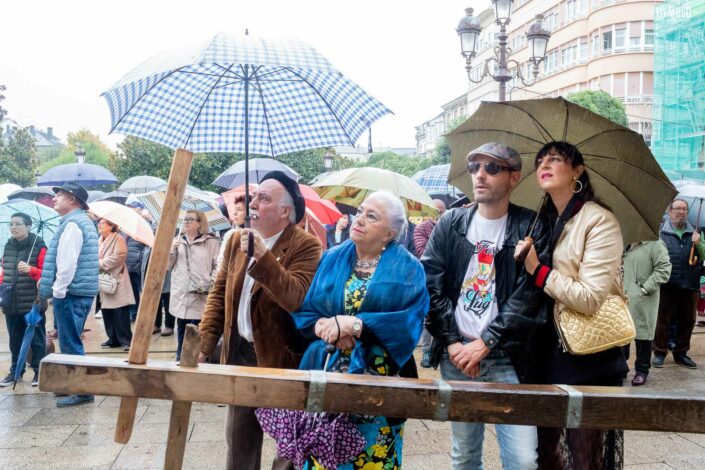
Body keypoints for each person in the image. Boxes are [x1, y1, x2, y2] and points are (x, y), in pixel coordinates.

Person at [423, 142, 551, 470]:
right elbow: (431, 284)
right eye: (474, 167)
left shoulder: (532, 227)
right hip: (457, 357)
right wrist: (452, 342)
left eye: (492, 168)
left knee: (523, 460)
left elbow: (529, 297)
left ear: (514, 177)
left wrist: (487, 342)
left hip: (508, 357)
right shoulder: (451, 222)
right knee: (464, 455)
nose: (480, 175)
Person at [291, 191, 428, 469]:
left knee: (372, 460)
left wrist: (355, 325)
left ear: (389, 233)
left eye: (372, 216)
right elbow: (307, 310)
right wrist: (326, 327)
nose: (360, 219)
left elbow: (409, 323)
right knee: (324, 458)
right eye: (361, 211)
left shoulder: (409, 268)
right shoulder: (331, 257)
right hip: (329, 375)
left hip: (379, 384)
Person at [198, 171, 322, 470]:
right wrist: (204, 344)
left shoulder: (306, 245)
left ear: (285, 211)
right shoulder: (236, 241)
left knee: (289, 448)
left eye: (263, 198)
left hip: (282, 359)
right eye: (254, 197)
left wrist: (263, 257)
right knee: (239, 442)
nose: (253, 203)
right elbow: (219, 295)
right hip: (240, 354)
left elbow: (295, 297)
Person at [515, 141, 628, 469]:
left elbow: (590, 298)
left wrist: (538, 270)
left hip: (585, 354)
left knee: (583, 455)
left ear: (578, 170)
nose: (544, 165)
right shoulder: (541, 220)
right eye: (540, 161)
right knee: (544, 451)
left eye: (555, 159)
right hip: (542, 350)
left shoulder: (599, 221)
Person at [39, 182, 99, 407]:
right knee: (70, 341)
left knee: (71, 343)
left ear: (73, 199)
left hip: (71, 292)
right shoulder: (80, 222)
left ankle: (82, 391)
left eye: (60, 195)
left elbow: (67, 263)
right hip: (78, 291)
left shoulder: (73, 224)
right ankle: (73, 386)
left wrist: (58, 291)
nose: (54, 198)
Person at [653, 198, 704, 369]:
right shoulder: (661, 232)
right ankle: (659, 351)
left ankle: (681, 353)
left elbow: (704, 256)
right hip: (667, 283)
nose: (681, 212)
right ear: (670, 211)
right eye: (677, 209)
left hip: (690, 283)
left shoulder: (696, 232)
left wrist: (699, 243)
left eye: (684, 209)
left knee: (687, 320)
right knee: (663, 319)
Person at [0, 213, 47, 387]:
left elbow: (47, 274)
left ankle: (39, 371)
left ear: (28, 226)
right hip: (11, 302)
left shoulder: (39, 246)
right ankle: (16, 371)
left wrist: (31, 270)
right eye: (11, 224)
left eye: (18, 224)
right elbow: (5, 272)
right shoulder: (8, 246)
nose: (13, 227)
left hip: (32, 303)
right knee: (15, 340)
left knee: (36, 339)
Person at [168, 210, 220, 361]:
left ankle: (197, 358)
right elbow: (168, 266)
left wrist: (211, 281)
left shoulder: (211, 242)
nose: (186, 222)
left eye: (190, 219)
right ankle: (180, 357)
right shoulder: (177, 241)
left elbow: (218, 265)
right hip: (181, 291)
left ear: (199, 223)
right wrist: (172, 251)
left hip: (201, 292)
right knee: (181, 326)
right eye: (184, 219)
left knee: (198, 327)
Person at [623, 240, 671, 386]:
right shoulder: (627, 243)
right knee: (622, 334)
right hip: (624, 297)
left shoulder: (656, 244)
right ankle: (621, 367)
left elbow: (664, 269)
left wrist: (645, 288)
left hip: (643, 299)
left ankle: (642, 370)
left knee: (643, 335)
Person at [413, 198, 447, 368]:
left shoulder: (450, 226)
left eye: (441, 211)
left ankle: (441, 349)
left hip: (448, 277)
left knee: (446, 313)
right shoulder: (421, 228)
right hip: (428, 279)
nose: (437, 214)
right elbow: (423, 252)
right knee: (429, 314)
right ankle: (426, 350)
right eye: (434, 210)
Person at [97, 218, 134, 351]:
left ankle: (126, 339)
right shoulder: (100, 240)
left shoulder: (118, 239)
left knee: (120, 311)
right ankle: (112, 338)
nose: (99, 225)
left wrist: (100, 263)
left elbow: (119, 257)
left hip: (116, 279)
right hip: (104, 279)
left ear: (111, 226)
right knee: (107, 311)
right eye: (98, 223)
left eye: (102, 223)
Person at [125, 201, 147, 324]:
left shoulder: (144, 224)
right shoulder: (126, 224)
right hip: (128, 264)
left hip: (139, 265)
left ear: (139, 209)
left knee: (142, 290)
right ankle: (133, 313)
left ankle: (144, 314)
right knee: (132, 292)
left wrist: (140, 258)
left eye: (132, 208)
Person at [217, 194, 249, 272]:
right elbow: (221, 263)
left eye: (239, 209)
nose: (234, 213)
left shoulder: (259, 236)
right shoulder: (231, 234)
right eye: (235, 209)